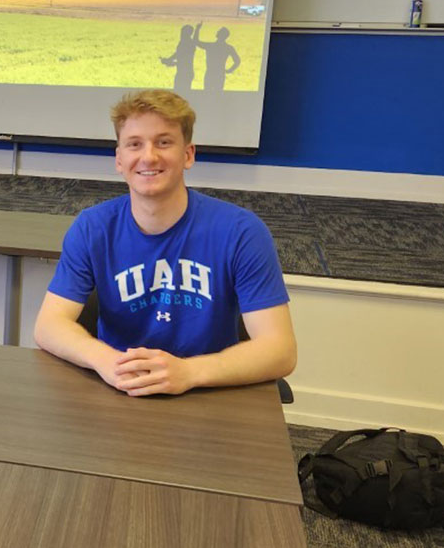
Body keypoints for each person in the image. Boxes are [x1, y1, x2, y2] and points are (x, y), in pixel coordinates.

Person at [33, 89, 296, 398]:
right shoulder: (93, 228)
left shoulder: (241, 232)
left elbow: (280, 350)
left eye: (164, 142)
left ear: (188, 155)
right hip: (120, 385)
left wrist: (189, 372)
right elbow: (48, 326)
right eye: (134, 144)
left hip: (207, 390)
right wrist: (107, 361)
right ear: (119, 159)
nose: (148, 156)